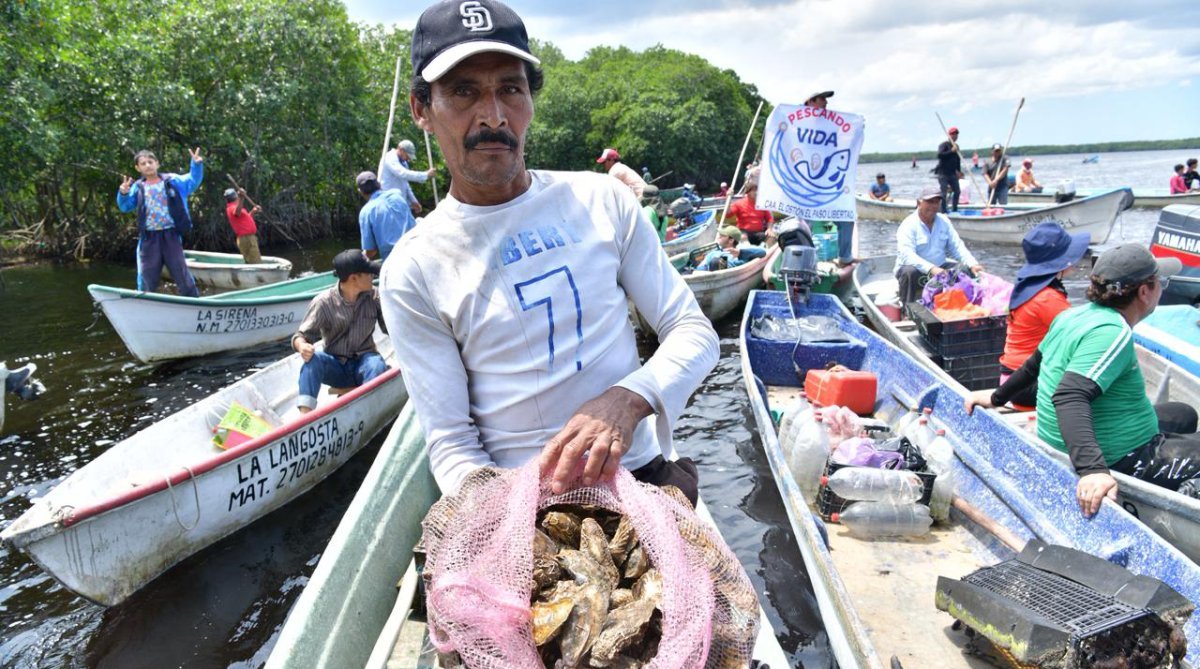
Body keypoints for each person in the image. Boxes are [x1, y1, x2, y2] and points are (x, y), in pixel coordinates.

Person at [381, 0, 718, 502]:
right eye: (464, 92)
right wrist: (507, 517)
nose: (492, 116)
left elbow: (693, 332)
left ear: (531, 102)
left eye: (510, 89)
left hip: (639, 474)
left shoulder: (601, 200)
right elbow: (452, 443)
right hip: (516, 494)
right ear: (421, 110)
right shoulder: (414, 268)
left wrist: (628, 400)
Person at [965, 244, 1200, 516]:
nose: (1162, 288)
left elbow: (1033, 365)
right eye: (1161, 282)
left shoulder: (1072, 316)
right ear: (1145, 292)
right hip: (1123, 456)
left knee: (1183, 413)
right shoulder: (1112, 332)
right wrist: (1093, 471)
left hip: (1099, 432)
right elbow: (1070, 395)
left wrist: (996, 397)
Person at [997, 222, 1090, 408]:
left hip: (1012, 378)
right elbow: (1080, 336)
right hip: (1025, 385)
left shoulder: (1030, 286)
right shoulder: (1047, 297)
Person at [292, 250, 388, 414]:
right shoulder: (323, 302)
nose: (373, 276)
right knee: (313, 360)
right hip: (336, 365)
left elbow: (390, 328)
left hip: (365, 362)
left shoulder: (375, 296)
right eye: (368, 273)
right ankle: (305, 418)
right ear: (353, 278)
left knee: (377, 365)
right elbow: (300, 336)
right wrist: (302, 347)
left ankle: (366, 411)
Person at [117, 148, 203, 297]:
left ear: (157, 163)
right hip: (149, 237)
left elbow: (192, 181)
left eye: (150, 162)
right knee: (146, 272)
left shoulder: (172, 181)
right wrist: (123, 193)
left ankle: (193, 299)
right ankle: (145, 300)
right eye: (143, 163)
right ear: (138, 168)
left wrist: (195, 166)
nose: (147, 165)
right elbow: (125, 206)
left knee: (179, 269)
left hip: (171, 234)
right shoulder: (138, 187)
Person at [893, 186, 983, 305]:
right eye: (929, 202)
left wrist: (973, 264)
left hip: (940, 268)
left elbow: (957, 247)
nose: (934, 206)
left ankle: (961, 305)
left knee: (965, 269)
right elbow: (907, 255)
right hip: (917, 271)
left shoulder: (944, 221)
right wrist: (931, 269)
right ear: (919, 202)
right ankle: (906, 310)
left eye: (937, 202)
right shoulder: (908, 225)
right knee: (909, 272)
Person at [356, 171, 417, 261]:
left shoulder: (365, 212)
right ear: (379, 184)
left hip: (394, 260)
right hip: (417, 249)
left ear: (361, 191)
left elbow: (371, 251)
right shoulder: (397, 194)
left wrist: (360, 258)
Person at [380, 138, 437, 215]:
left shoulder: (403, 163)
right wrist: (425, 174)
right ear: (401, 150)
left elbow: (405, 184)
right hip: (388, 202)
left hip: (400, 202)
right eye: (408, 155)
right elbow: (403, 173)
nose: (408, 158)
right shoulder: (390, 158)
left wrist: (413, 200)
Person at [694, 226, 767, 271]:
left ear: (731, 240)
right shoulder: (713, 253)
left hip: (725, 275)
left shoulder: (741, 254)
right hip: (707, 275)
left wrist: (740, 253)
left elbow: (763, 252)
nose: (719, 237)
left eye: (722, 236)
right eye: (720, 235)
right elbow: (700, 268)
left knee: (716, 262)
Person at [223, 188, 263, 264]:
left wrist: (253, 211)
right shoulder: (231, 208)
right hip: (247, 238)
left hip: (246, 238)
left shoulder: (235, 206)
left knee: (250, 262)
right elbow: (237, 212)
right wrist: (242, 197)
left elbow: (246, 219)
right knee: (256, 263)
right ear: (236, 197)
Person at [933, 127, 963, 213]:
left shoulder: (957, 147)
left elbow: (958, 160)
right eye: (953, 134)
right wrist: (951, 151)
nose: (955, 136)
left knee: (957, 191)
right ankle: (943, 210)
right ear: (949, 135)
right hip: (943, 174)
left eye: (956, 134)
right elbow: (940, 155)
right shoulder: (944, 145)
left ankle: (954, 209)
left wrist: (959, 171)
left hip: (952, 174)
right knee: (944, 193)